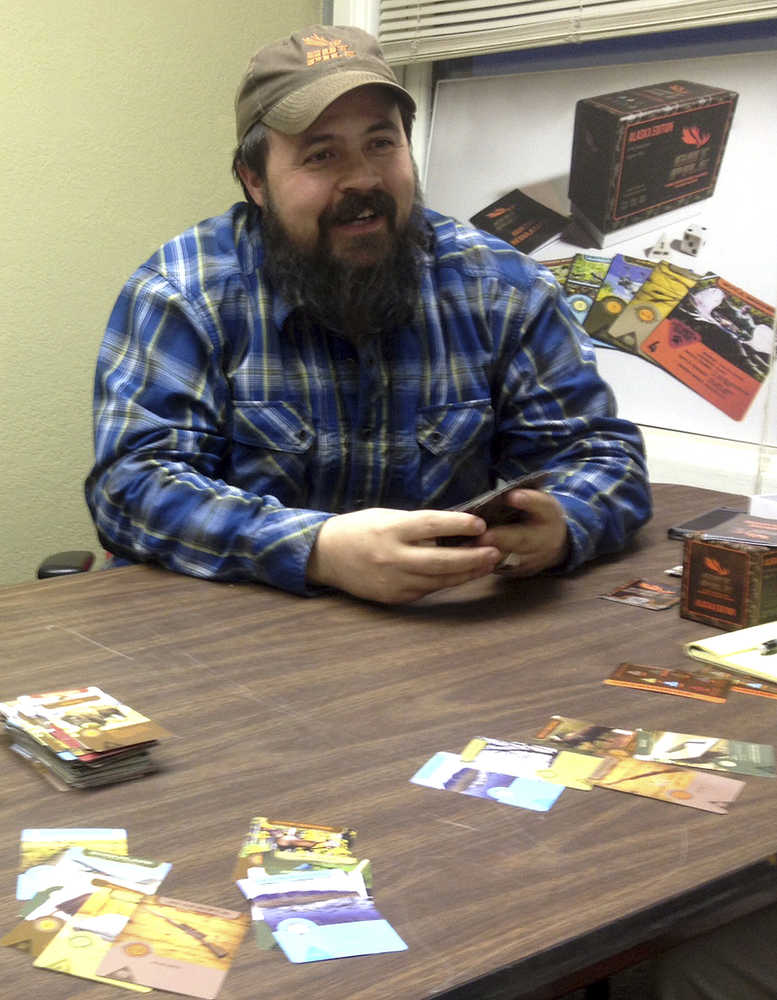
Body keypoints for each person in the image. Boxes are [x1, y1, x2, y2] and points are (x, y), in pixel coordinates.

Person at [85, 24, 651, 605]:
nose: (363, 179)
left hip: (436, 638)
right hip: (226, 637)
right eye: (321, 154)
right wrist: (318, 549)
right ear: (255, 181)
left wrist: (563, 525)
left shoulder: (502, 288)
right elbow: (133, 489)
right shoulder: (184, 292)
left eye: (382, 144)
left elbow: (601, 457)